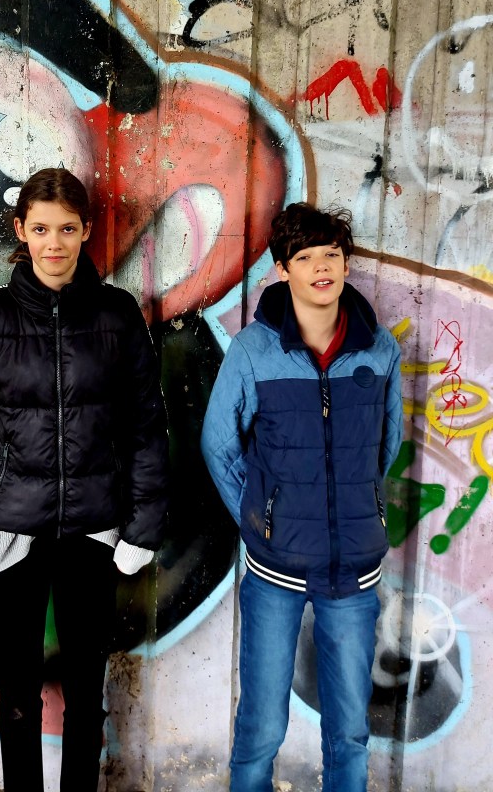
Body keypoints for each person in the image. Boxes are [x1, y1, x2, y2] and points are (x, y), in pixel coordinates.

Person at [0, 167, 169, 792]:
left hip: (93, 533)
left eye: (67, 229)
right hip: (12, 531)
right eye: (40, 229)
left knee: (85, 695)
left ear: (86, 231)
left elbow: (146, 426)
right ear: (20, 230)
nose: (54, 243)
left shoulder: (117, 315)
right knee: (17, 697)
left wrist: (143, 528)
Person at [201, 202, 403, 792]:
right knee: (262, 726)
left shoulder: (379, 350)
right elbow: (218, 444)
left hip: (355, 572)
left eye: (331, 255)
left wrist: (361, 505)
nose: (321, 267)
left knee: (350, 732)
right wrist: (261, 519)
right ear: (284, 270)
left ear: (346, 264)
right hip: (275, 571)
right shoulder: (254, 351)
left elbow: (385, 444)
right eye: (305, 257)